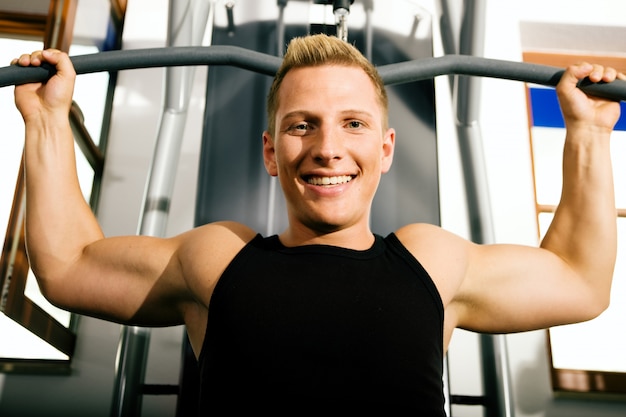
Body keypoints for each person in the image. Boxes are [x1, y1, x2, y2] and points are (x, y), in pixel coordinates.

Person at [12, 33, 624, 414]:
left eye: (353, 124)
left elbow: (578, 281)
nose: (328, 148)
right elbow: (68, 267)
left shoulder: (433, 262)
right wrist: (46, 120)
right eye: (302, 124)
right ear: (271, 152)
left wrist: (590, 134)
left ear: (385, 149)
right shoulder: (217, 257)